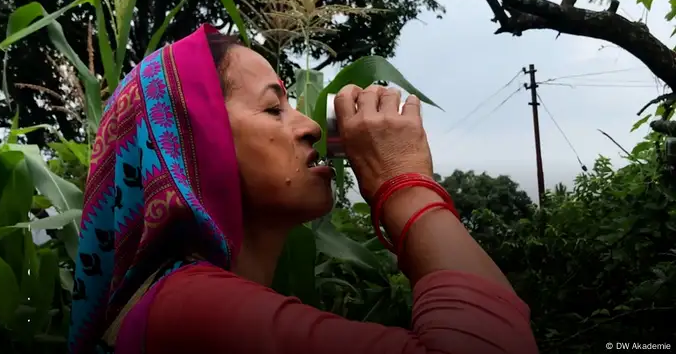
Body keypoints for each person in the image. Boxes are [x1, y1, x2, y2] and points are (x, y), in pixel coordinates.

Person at [67, 24, 539, 354]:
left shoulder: (188, 303)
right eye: (275, 109)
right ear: (193, 145)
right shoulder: (183, 309)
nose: (311, 125)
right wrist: (405, 183)